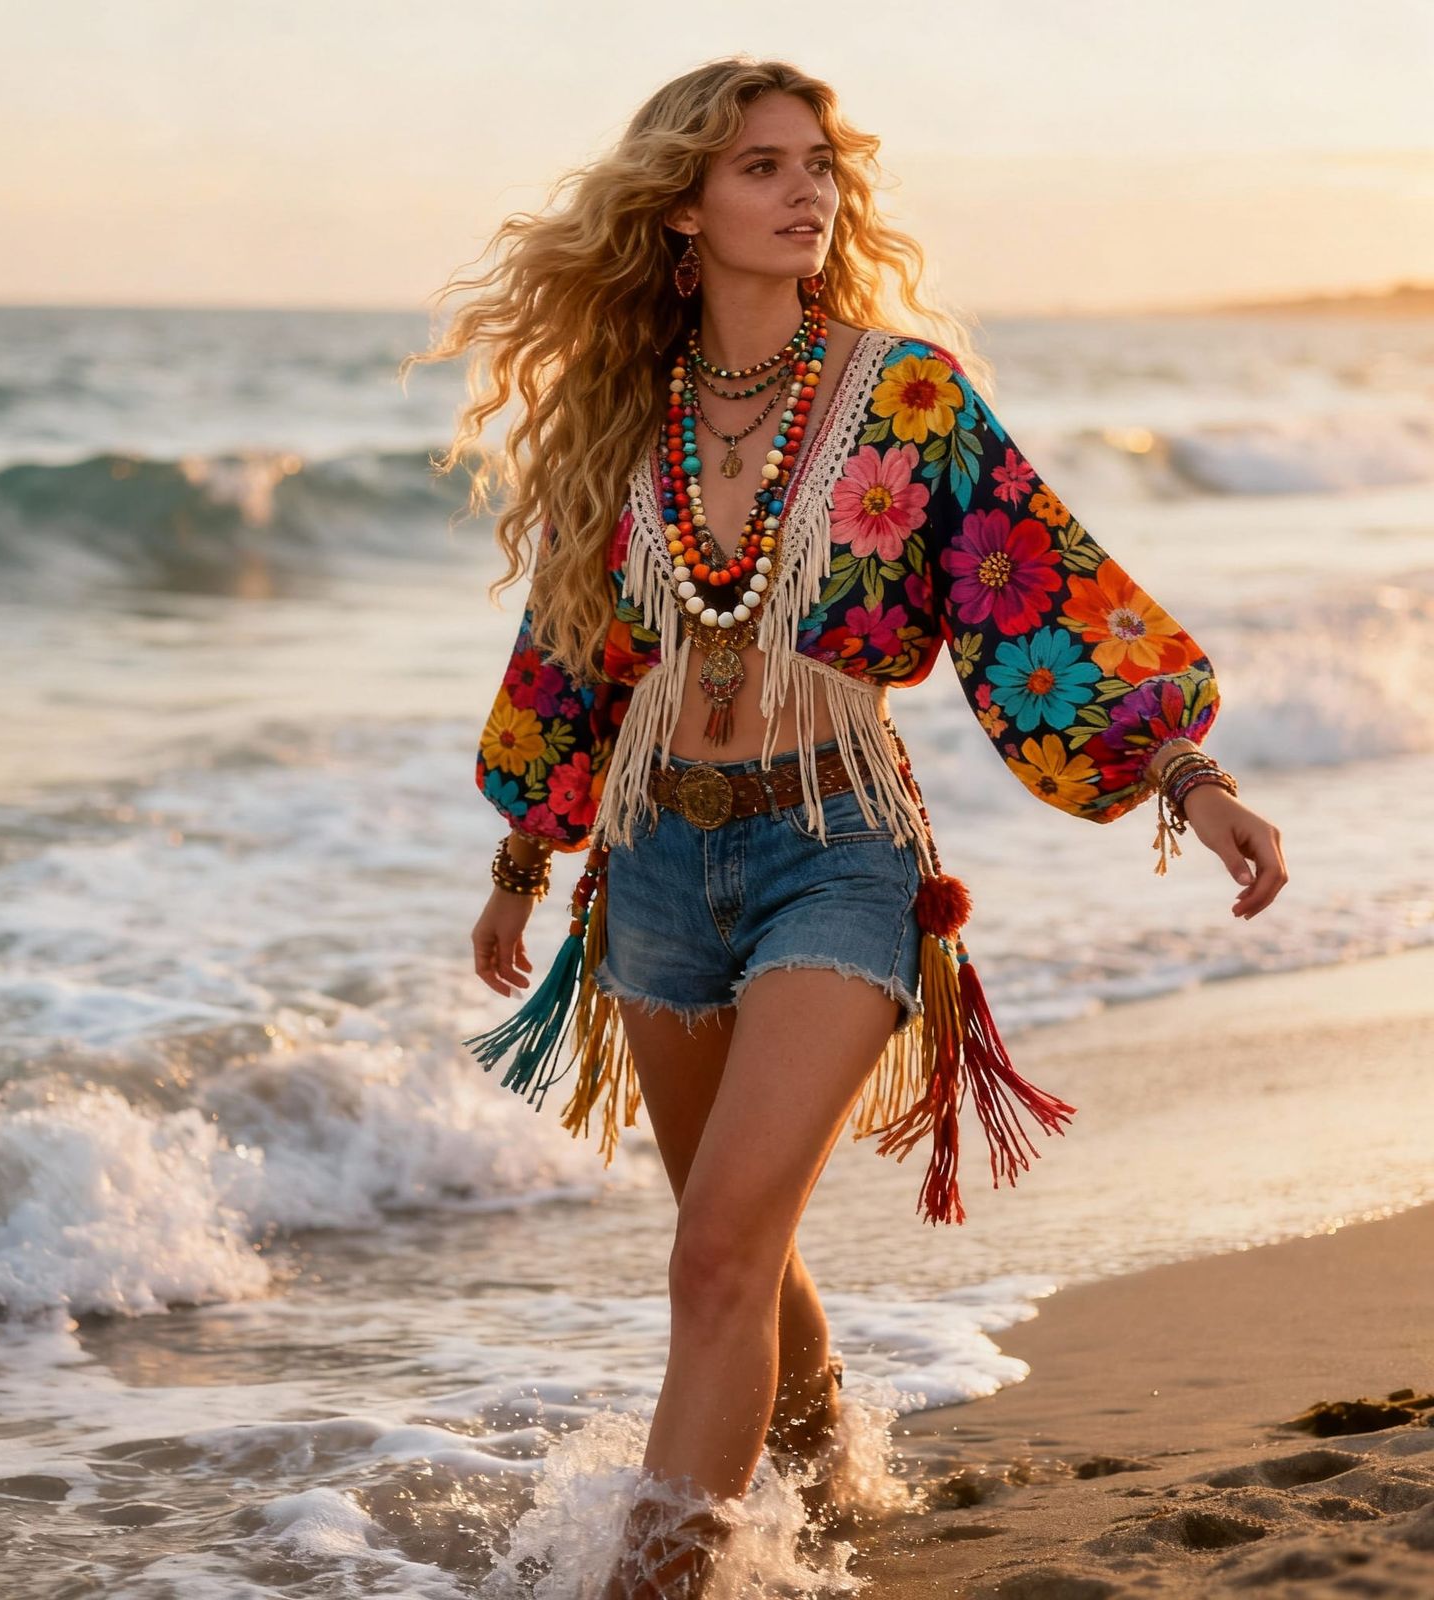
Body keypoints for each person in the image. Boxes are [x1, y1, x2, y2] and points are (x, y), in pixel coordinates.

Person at [408, 55, 1288, 1600]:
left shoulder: (908, 396)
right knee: (738, 1253)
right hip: (658, 863)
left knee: (712, 1262)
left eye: (817, 163)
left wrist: (1190, 784)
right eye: (760, 166)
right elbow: (572, 647)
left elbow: (1047, 595)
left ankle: (654, 1587)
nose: (804, 190)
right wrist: (520, 861)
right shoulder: (633, 419)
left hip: (840, 850)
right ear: (681, 207)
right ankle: (830, 1483)